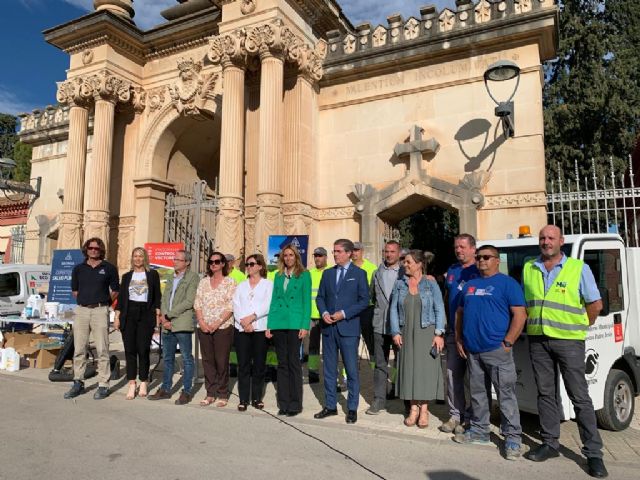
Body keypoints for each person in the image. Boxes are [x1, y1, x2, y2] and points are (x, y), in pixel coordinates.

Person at [523, 225, 607, 478]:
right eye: (542, 238)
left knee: (579, 397)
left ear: (561, 241)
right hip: (538, 340)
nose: (546, 242)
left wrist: (582, 325)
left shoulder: (578, 268)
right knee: (545, 394)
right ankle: (550, 443)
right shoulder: (529, 267)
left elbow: (595, 304)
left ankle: (594, 454)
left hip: (569, 341)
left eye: (551, 238)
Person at [453, 245, 526, 460]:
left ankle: (512, 438)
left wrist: (508, 342)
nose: (481, 260)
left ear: (497, 260)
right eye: (479, 257)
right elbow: (459, 313)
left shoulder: (508, 284)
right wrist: (459, 338)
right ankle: (479, 431)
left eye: (486, 257)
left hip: (497, 350)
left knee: (506, 395)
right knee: (477, 394)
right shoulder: (470, 285)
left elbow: (520, 315)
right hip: (473, 351)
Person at [314, 239, 369, 424]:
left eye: (338, 251)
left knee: (351, 369)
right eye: (334, 251)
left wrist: (344, 314)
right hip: (329, 329)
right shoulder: (328, 274)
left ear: (348, 253)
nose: (335, 254)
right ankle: (330, 406)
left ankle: (352, 408)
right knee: (329, 369)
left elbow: (363, 301)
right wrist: (324, 312)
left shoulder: (359, 274)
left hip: (348, 329)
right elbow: (320, 297)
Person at [389, 250, 445, 428]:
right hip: (405, 332)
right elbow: (393, 310)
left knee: (425, 371)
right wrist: (395, 332)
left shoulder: (431, 284)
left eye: (408, 262)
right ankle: (413, 409)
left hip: (426, 332)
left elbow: (439, 308)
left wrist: (439, 333)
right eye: (404, 262)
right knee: (409, 370)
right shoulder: (399, 284)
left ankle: (424, 410)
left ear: (419, 264)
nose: (405, 265)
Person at [64, 237, 120, 400]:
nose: (93, 250)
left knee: (103, 349)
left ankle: (103, 384)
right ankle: (78, 382)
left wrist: (105, 302)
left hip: (100, 310)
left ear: (101, 250)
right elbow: (75, 291)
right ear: (86, 249)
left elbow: (115, 289)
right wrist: (86, 299)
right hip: (82, 311)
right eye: (90, 248)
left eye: (96, 248)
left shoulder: (109, 268)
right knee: (79, 348)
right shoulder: (78, 269)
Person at [148, 250, 199, 405]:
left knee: (186, 358)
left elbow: (189, 301)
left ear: (187, 262)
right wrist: (164, 317)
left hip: (182, 322)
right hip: (167, 323)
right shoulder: (171, 277)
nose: (174, 261)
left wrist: (169, 315)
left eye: (178, 259)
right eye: (174, 258)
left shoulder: (193, 277)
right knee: (168, 358)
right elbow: (164, 299)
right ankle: (165, 389)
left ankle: (187, 391)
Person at [440, 233, 479, 433]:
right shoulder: (453, 270)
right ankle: (456, 415)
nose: (459, 250)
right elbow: (447, 298)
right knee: (452, 374)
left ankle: (474, 418)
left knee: (475, 377)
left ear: (473, 248)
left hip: (473, 333)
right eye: (456, 247)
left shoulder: (480, 269)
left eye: (463, 247)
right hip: (453, 333)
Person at [267, 244, 311, 417]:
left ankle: (295, 403)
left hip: (294, 322)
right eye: (285, 256)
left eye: (291, 255)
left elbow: (306, 301)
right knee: (282, 363)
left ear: (296, 257)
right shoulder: (278, 276)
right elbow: (273, 300)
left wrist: (304, 325)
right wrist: (270, 324)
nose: (288, 258)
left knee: (293, 363)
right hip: (279, 322)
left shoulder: (304, 275)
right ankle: (283, 402)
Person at [114, 247, 162, 400]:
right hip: (129, 313)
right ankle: (132, 382)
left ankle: (143, 381)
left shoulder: (152, 274)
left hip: (146, 313)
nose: (138, 259)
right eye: (135, 256)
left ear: (145, 258)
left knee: (143, 349)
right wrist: (117, 317)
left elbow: (157, 297)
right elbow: (121, 298)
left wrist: (157, 315)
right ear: (132, 258)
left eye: (141, 256)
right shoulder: (127, 276)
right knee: (130, 350)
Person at [193, 251, 237, 407]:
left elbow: (231, 306)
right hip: (204, 326)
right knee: (207, 360)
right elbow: (197, 303)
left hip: (223, 326)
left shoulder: (230, 282)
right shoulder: (203, 282)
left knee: (221, 360)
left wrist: (216, 323)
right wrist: (202, 322)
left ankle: (223, 393)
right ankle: (210, 392)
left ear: (223, 264)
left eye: (217, 262)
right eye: (211, 262)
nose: (213, 264)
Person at [366, 240, 404, 415]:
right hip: (380, 325)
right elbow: (372, 297)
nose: (389, 254)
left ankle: (401, 394)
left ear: (399, 253)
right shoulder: (376, 273)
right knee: (380, 364)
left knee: (401, 362)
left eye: (392, 251)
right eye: (386, 251)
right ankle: (379, 400)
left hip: (400, 326)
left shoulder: (405, 272)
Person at [232, 253, 273, 411]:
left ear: (260, 266)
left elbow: (268, 305)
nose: (248, 267)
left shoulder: (268, 284)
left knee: (259, 365)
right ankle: (243, 398)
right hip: (242, 328)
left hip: (260, 328)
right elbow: (235, 305)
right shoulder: (241, 285)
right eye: (247, 265)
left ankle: (256, 397)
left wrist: (252, 317)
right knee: (243, 365)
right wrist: (243, 321)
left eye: (252, 264)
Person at [351, 242, 377, 364]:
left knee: (370, 341)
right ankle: (347, 374)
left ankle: (374, 370)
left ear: (362, 252)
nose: (354, 253)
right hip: (351, 309)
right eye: (352, 250)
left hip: (367, 309)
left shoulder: (372, 268)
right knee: (351, 343)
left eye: (357, 250)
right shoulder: (347, 267)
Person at [308, 247, 330, 384]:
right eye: (315, 256)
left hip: (326, 316)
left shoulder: (331, 272)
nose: (317, 258)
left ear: (326, 257)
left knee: (329, 347)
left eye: (320, 256)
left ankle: (330, 373)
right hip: (311, 316)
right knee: (312, 347)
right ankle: (312, 372)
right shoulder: (309, 273)